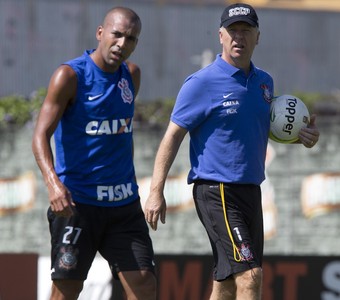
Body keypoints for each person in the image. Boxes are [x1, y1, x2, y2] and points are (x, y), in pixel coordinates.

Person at [144, 3, 319, 300]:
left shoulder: (265, 83)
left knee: (225, 282)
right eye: (233, 31)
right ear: (220, 36)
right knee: (250, 276)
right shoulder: (201, 83)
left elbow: (259, 127)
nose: (240, 37)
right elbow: (173, 136)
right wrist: (155, 190)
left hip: (251, 190)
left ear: (258, 36)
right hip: (217, 190)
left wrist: (299, 137)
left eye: (246, 30)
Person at [32, 7, 156, 300]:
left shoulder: (132, 76)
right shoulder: (69, 76)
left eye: (131, 39)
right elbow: (40, 135)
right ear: (100, 33)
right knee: (68, 289)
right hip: (78, 206)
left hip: (124, 206)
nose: (122, 44)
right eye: (117, 35)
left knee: (144, 285)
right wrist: (53, 183)